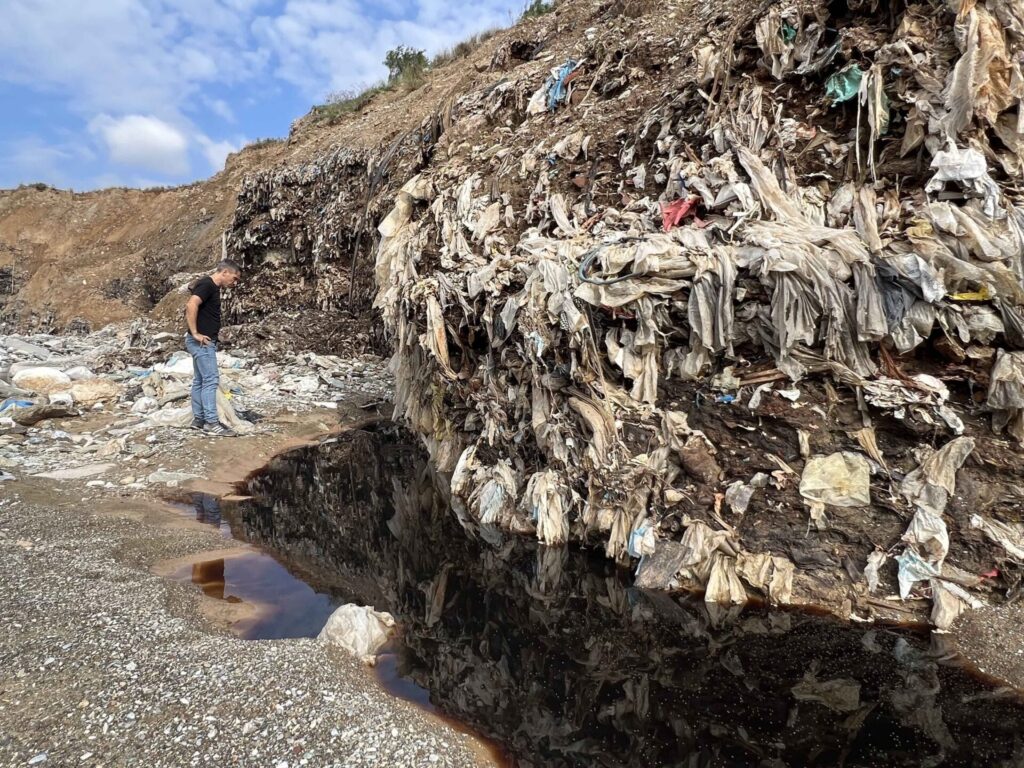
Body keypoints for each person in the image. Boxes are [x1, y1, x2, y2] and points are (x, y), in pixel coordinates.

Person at [185, 260, 242, 436]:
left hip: (201, 341)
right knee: (210, 380)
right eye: (234, 278)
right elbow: (191, 305)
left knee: (200, 380)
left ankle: (199, 419)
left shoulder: (210, 286)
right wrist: (195, 333)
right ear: (224, 272)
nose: (235, 282)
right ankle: (211, 422)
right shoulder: (207, 285)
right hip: (202, 342)